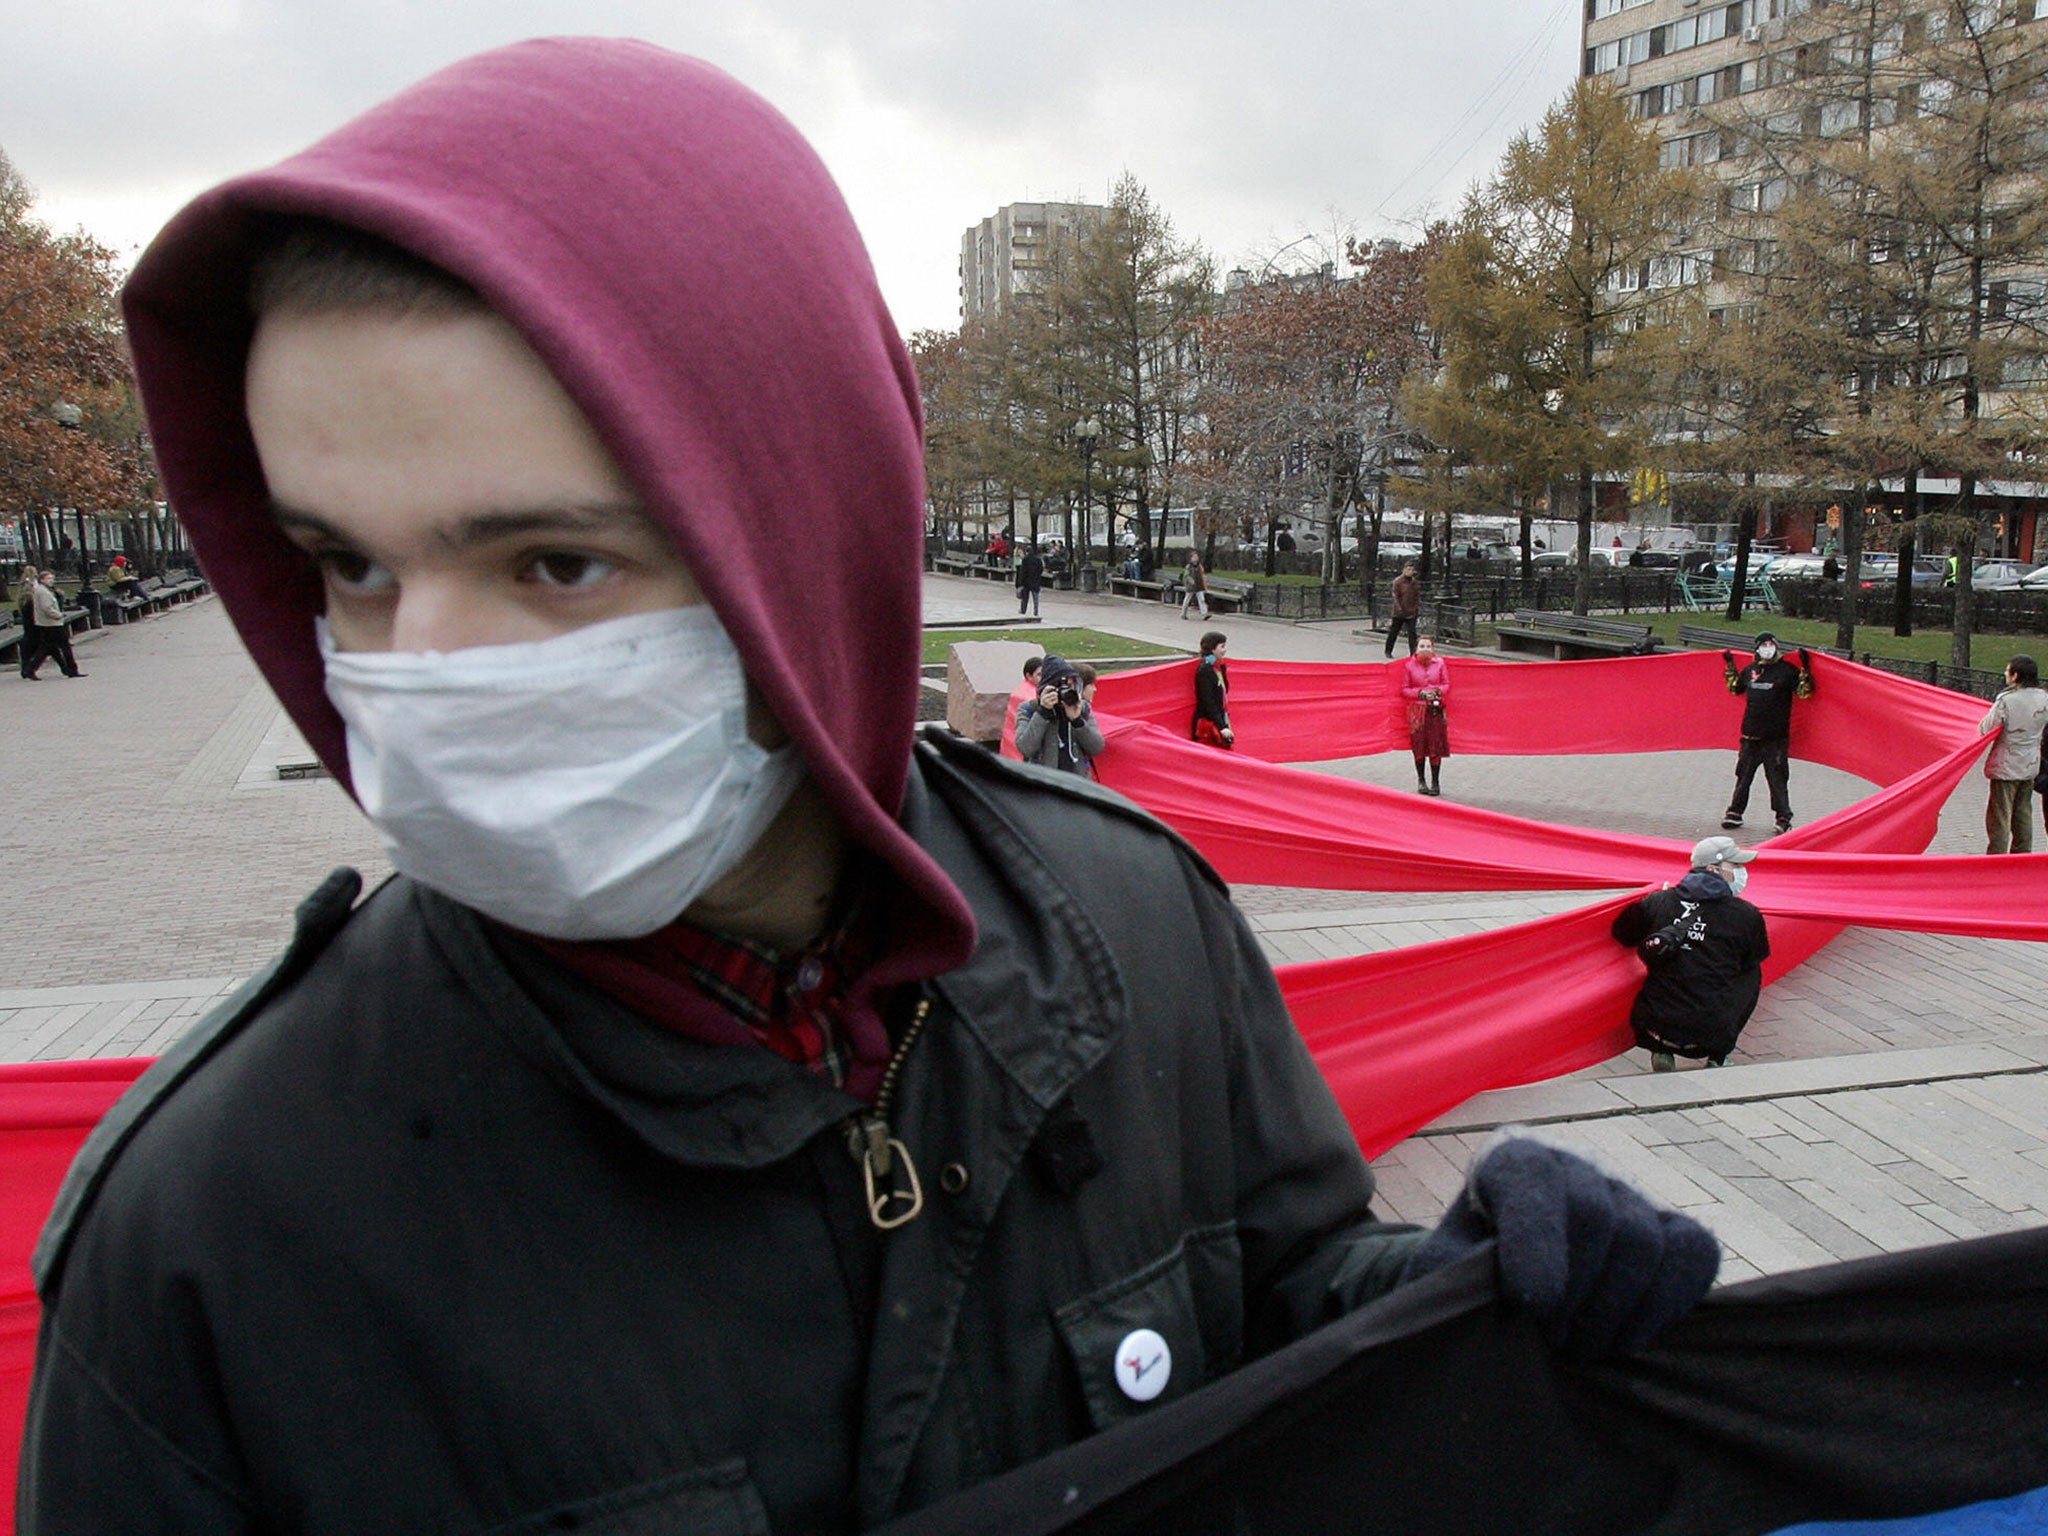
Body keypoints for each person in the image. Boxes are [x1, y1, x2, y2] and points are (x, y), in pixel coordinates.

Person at [22, 42, 1718, 1533]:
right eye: (346, 567)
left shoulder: (1137, 923)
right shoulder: (214, 1223)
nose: (421, 671)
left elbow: (1271, 1312)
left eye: (548, 561)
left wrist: (1438, 1294)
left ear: (803, 538)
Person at [1610, 836, 1770, 1073]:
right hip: (1711, 1034)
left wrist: (1655, 908)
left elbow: (1623, 934)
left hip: (1653, 1028)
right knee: (1751, 972)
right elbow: (1753, 957)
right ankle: (1718, 1056)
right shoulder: (1746, 915)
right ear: (1714, 870)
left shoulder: (1660, 901)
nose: (1741, 871)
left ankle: (1662, 1049)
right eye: (1735, 866)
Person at [1720, 632, 1814, 835]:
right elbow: (1735, 688)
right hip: (1750, 736)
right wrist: (1729, 665)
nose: (1767, 647)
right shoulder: (1751, 670)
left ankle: (1783, 817)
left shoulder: (1787, 671)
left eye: (1770, 644)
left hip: (1775, 738)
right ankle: (1735, 813)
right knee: (1743, 776)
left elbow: (1805, 692)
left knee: (1777, 779)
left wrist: (1806, 668)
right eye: (1763, 644)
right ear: (1757, 648)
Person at [1979, 654, 2048, 854]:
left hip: (2006, 765)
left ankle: (1996, 858)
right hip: (2031, 765)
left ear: (2015, 676)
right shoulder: (2044, 698)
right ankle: (2022, 854)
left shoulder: (2007, 700)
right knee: (2023, 813)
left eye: (2008, 671)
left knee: (2000, 816)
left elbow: (1986, 727)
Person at [1015, 654, 1103, 777]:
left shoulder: (1082, 708)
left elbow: (1096, 747)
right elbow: (1026, 748)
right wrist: (1043, 713)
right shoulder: (1029, 709)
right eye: (1061, 687)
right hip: (1043, 785)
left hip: (1077, 783)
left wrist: (1077, 721)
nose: (1067, 691)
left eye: (1071, 685)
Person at [1400, 635, 1451, 796]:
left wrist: (1437, 692)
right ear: (1416, 649)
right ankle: (1421, 780)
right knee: (1419, 746)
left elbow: (1446, 684)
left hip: (1435, 710)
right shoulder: (1409, 666)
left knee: (1436, 745)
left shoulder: (1440, 664)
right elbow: (1404, 689)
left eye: (1428, 646)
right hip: (1417, 711)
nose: (1425, 649)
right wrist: (1420, 693)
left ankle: (1435, 782)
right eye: (1422, 646)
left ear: (1433, 648)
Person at [24, 568, 85, 679]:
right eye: (49, 578)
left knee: (47, 648)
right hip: (52, 623)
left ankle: (30, 669)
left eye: (52, 578)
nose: (51, 580)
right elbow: (47, 608)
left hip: (46, 623)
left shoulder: (44, 590)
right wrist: (59, 615)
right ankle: (72, 669)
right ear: (42, 580)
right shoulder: (43, 592)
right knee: (64, 646)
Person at [1191, 629, 1233, 748]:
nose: (1225, 650)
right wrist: (1221, 726)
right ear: (1212, 648)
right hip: (1208, 723)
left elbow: (1225, 690)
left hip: (1219, 718)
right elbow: (1208, 701)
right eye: (1222, 646)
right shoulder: (1205, 670)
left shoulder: (1217, 667)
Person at [1385, 561, 1419, 658]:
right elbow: (1395, 596)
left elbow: (1416, 597)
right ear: (1404, 570)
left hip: (1411, 611)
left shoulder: (1414, 582)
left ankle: (1413, 652)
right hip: (1399, 612)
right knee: (1394, 632)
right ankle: (1388, 650)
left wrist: (1415, 608)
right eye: (1408, 569)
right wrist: (1399, 609)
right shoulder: (1398, 582)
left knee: (1412, 633)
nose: (1410, 571)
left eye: (1412, 570)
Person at [14, 565, 41, 679]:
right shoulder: (30, 584)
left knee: (31, 640)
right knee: (35, 641)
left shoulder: (24, 584)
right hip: (32, 615)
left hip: (28, 615)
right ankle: (28, 667)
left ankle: (27, 667)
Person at [1015, 542, 1043, 617]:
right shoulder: (1038, 560)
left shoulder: (1025, 560)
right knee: (1035, 597)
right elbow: (1040, 570)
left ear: (1026, 552)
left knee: (1025, 598)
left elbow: (1022, 572)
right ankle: (1036, 611)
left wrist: (1020, 583)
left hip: (1026, 581)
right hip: (1035, 580)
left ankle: (1023, 610)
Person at [1180, 550, 1208, 621]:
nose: (1196, 558)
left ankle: (1204, 614)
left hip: (1199, 585)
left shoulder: (1200, 566)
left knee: (1202, 599)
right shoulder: (1188, 566)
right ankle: (1183, 613)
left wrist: (1204, 585)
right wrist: (1191, 581)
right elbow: (1186, 576)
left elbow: (1202, 575)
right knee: (1187, 600)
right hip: (1191, 586)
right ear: (1191, 558)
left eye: (1197, 557)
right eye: (1194, 557)